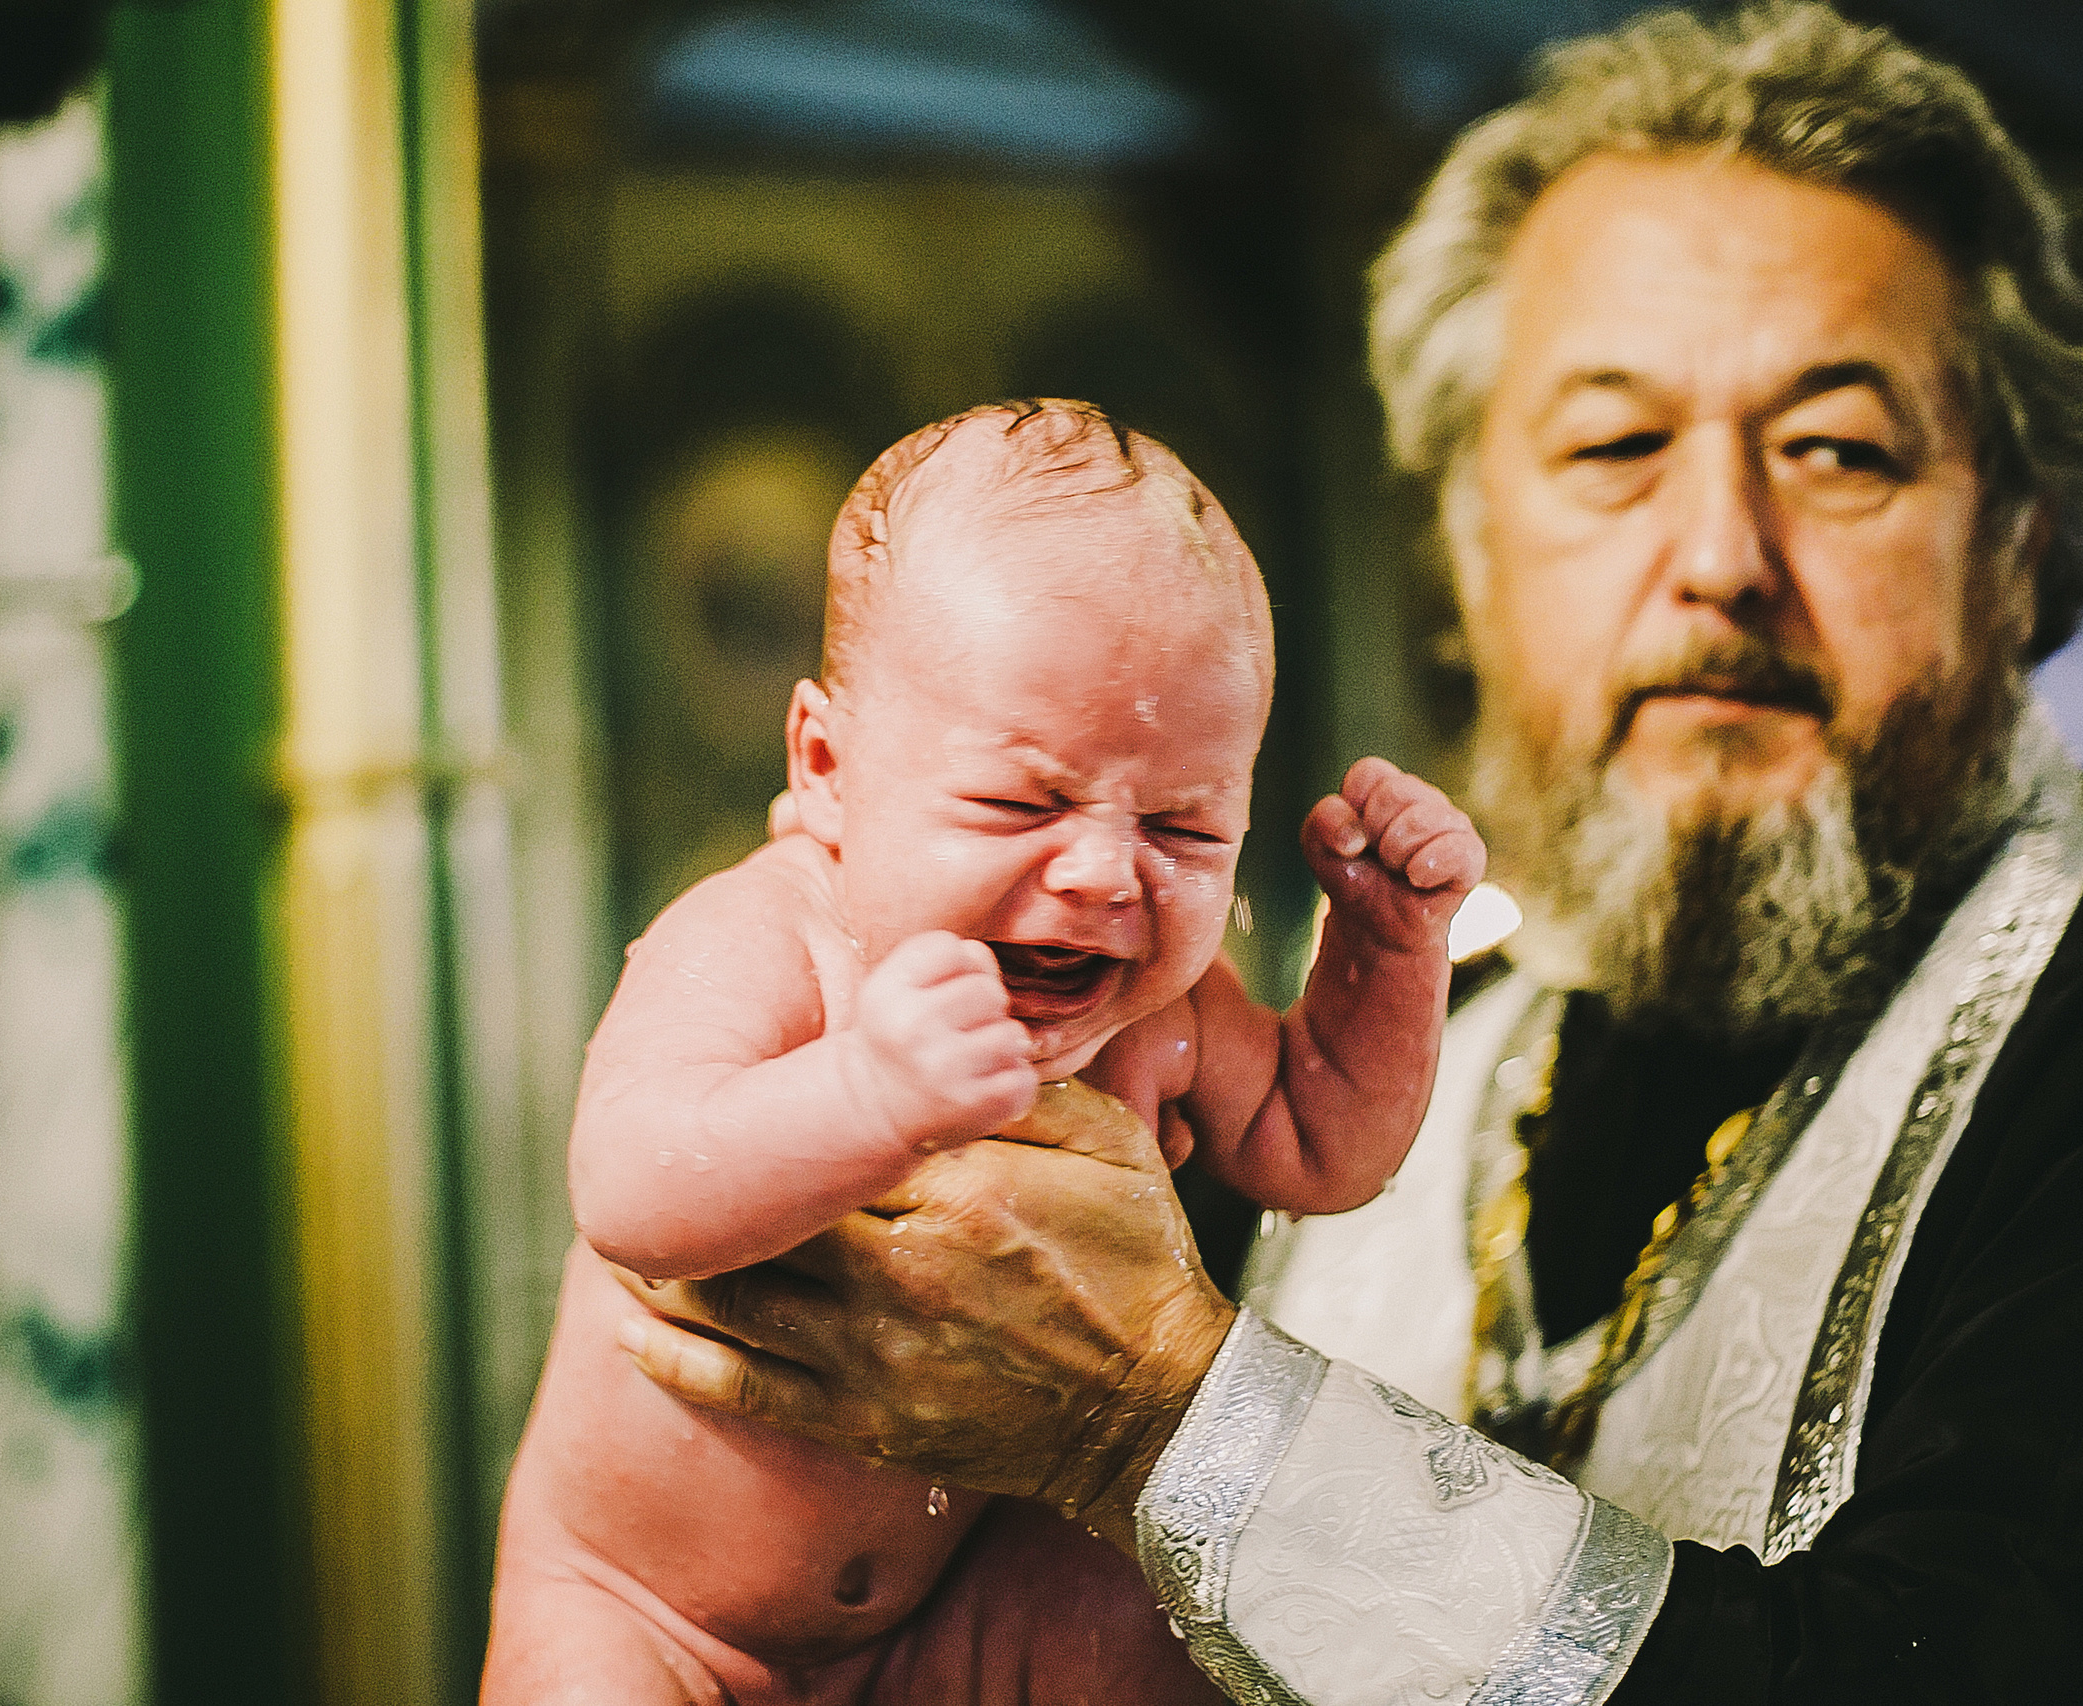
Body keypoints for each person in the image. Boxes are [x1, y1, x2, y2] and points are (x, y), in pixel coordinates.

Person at [612, 5, 2083, 1702]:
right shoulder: (1437, 1013)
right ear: (1471, 554)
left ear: (2025, 542)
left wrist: (1163, 1418)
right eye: (1614, 447)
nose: (1720, 553)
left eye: (1839, 449)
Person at [484, 398, 1484, 1703]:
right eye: (1022, 800)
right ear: (826, 763)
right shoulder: (772, 937)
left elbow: (1320, 1141)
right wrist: (865, 1088)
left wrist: (1390, 955)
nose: (1103, 871)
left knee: (1157, 1621)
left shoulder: (1163, 1001)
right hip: (648, 1612)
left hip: (951, 1612)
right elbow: (628, 1188)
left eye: (1186, 828)